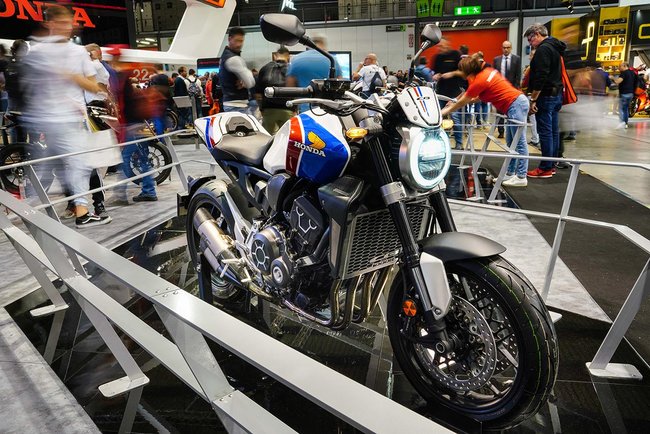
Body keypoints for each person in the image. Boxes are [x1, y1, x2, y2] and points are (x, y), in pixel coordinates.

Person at [21, 5, 110, 227]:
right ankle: (37, 211)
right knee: (51, 168)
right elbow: (29, 86)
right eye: (61, 23)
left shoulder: (78, 52)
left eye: (69, 23)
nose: (67, 27)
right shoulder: (37, 51)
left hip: (71, 120)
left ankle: (83, 210)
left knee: (79, 165)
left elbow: (93, 86)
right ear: (49, 23)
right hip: (47, 121)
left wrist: (72, 77)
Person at [441, 55, 530, 187]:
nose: (460, 73)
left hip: (515, 104)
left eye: (461, 70)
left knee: (519, 142)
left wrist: (444, 112)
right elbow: (477, 97)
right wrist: (457, 101)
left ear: (468, 71)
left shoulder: (479, 81)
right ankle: (510, 173)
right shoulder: (486, 72)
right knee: (511, 143)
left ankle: (521, 176)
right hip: (515, 104)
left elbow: (463, 101)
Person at [524, 23, 566, 179]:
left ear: (536, 34)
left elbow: (541, 76)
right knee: (553, 132)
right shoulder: (555, 47)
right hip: (556, 95)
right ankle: (551, 165)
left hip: (546, 96)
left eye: (530, 40)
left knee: (546, 133)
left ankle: (545, 168)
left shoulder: (543, 49)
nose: (531, 44)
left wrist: (533, 99)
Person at [286, 35, 342, 113]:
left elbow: (290, 88)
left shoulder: (297, 59)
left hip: (305, 110)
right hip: (328, 110)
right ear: (323, 45)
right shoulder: (332, 60)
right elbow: (340, 87)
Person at [433, 38, 464, 149]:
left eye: (442, 46)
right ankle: (443, 142)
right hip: (441, 93)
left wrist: (452, 73)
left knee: (455, 118)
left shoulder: (456, 55)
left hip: (454, 93)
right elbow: (435, 72)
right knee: (440, 118)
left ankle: (459, 143)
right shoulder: (437, 57)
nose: (440, 48)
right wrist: (435, 75)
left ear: (447, 44)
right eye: (439, 46)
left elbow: (462, 72)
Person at [255, 46, 293, 134]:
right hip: (287, 109)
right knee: (286, 136)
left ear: (275, 56)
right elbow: (295, 89)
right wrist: (294, 109)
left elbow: (258, 93)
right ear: (288, 56)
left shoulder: (265, 68)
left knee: (267, 137)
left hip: (269, 109)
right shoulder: (291, 69)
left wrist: (261, 109)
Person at [218, 27, 256, 114]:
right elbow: (250, 82)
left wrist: (244, 81)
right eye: (236, 40)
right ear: (229, 39)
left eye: (241, 41)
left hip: (232, 104)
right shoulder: (234, 59)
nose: (239, 44)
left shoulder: (225, 56)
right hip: (237, 105)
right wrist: (247, 79)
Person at [493, 41, 521, 138]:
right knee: (499, 111)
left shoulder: (516, 59)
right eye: (504, 47)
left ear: (511, 48)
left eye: (508, 47)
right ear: (502, 48)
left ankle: (511, 130)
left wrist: (516, 89)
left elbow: (518, 75)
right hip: (499, 91)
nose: (506, 49)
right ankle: (501, 131)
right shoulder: (496, 60)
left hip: (511, 90)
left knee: (511, 111)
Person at [521, 48, 539, 147]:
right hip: (536, 95)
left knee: (532, 118)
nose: (529, 57)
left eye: (531, 55)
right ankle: (536, 138)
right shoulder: (537, 67)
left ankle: (535, 138)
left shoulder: (531, 68)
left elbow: (524, 82)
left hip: (530, 95)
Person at [612, 62, 636, 129]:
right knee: (626, 109)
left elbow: (617, 81)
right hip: (631, 93)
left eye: (620, 66)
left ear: (625, 66)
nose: (619, 68)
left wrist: (612, 78)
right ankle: (625, 123)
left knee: (621, 109)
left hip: (624, 93)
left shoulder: (624, 73)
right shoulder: (633, 73)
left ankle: (622, 122)